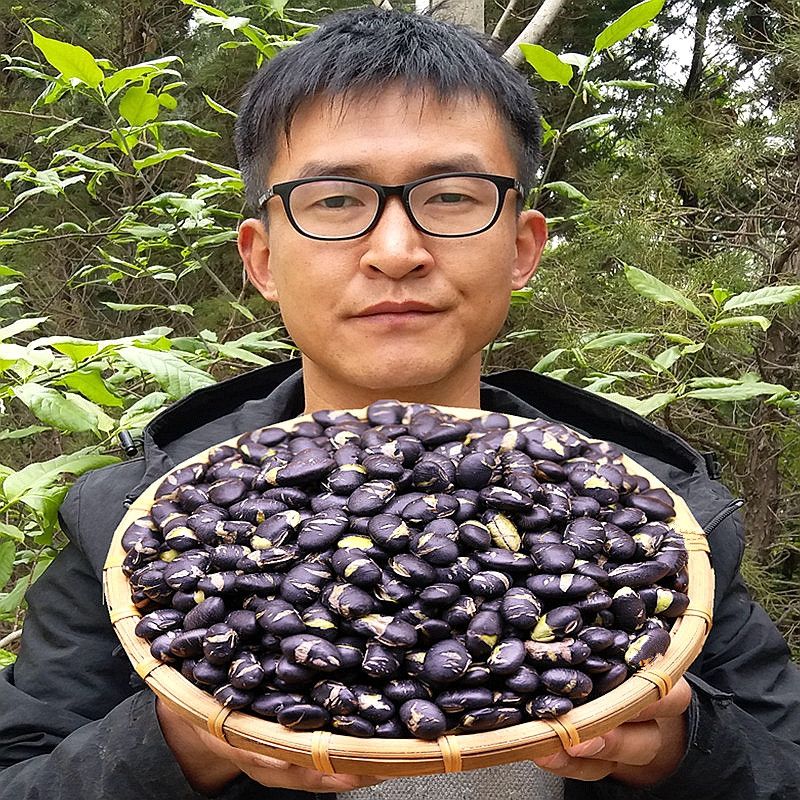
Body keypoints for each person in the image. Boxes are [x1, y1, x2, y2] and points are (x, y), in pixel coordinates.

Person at [1, 8, 798, 800]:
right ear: (264, 258)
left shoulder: (662, 518)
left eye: (451, 197)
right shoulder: (132, 525)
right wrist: (184, 741)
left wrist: (685, 753)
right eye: (336, 200)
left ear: (522, 246)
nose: (395, 253)